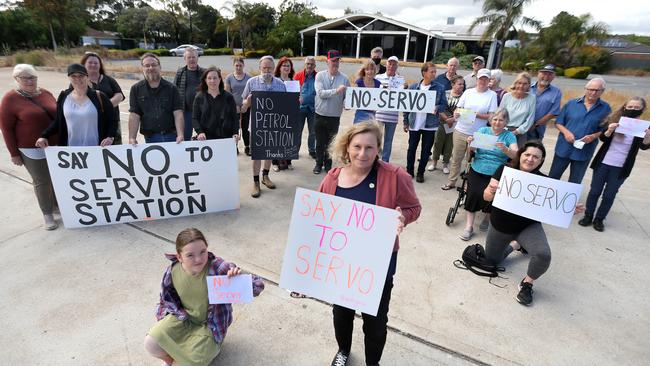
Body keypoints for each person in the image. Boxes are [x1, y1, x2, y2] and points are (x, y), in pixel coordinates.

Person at [318, 122, 421, 366]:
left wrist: (402, 216)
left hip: (377, 264)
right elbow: (317, 217)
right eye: (357, 147)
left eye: (369, 148)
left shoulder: (395, 176)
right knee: (341, 313)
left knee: (375, 323)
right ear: (347, 147)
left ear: (378, 149)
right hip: (341, 263)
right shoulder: (333, 178)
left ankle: (372, 363)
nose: (362, 154)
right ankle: (343, 351)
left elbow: (414, 207)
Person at [483, 141, 585, 305]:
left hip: (527, 226)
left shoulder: (545, 182)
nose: (530, 159)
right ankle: (515, 246)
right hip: (500, 225)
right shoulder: (504, 170)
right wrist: (490, 190)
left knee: (543, 255)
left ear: (541, 160)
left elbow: (554, 206)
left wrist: (567, 208)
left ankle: (527, 283)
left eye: (536, 157)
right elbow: (486, 197)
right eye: (527, 155)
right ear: (520, 155)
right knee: (491, 262)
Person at [144, 228, 264, 366]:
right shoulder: (173, 271)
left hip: (209, 327)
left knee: (191, 362)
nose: (199, 259)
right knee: (151, 343)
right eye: (190, 255)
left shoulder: (218, 268)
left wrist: (239, 278)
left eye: (203, 252)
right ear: (179, 257)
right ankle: (172, 361)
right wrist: (164, 320)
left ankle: (213, 348)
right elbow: (166, 299)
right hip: (184, 319)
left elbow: (258, 285)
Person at [0, 64, 58, 230]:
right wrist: (14, 153)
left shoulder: (46, 93)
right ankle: (47, 214)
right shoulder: (10, 99)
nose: (30, 81)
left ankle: (56, 206)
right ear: (16, 79)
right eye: (25, 77)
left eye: (33, 77)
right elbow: (6, 129)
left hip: (54, 146)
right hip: (31, 149)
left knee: (54, 178)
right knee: (42, 181)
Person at [579, 97, 650, 232]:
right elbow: (603, 138)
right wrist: (610, 130)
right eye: (630, 107)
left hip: (622, 167)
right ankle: (588, 215)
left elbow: (644, 147)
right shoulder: (616, 121)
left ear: (642, 109)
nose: (632, 110)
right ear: (625, 107)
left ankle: (599, 219)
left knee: (609, 195)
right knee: (594, 191)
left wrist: (648, 136)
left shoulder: (644, 126)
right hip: (604, 163)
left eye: (636, 108)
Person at [460, 108, 518, 241]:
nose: (497, 122)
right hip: (478, 166)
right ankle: (469, 227)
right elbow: (472, 151)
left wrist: (506, 149)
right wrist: (470, 144)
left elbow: (516, 155)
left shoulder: (509, 136)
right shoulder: (483, 131)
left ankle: (487, 217)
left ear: (506, 122)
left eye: (501, 120)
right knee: (473, 193)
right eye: (495, 119)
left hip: (497, 171)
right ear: (491, 121)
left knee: (493, 195)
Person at [442, 68, 497, 190]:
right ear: (477, 79)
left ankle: (468, 185)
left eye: (485, 79)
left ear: (489, 80)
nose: (482, 81)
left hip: (479, 133)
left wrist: (476, 114)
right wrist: (456, 113)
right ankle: (451, 181)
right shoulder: (468, 92)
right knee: (456, 158)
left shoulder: (492, 95)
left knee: (473, 160)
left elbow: (492, 116)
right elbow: (458, 108)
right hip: (461, 130)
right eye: (480, 78)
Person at [36, 63, 116, 148]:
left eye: (81, 75)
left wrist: (110, 137)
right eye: (73, 76)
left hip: (96, 148)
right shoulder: (64, 96)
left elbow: (112, 119)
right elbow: (58, 121)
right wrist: (44, 136)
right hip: (71, 150)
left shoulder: (99, 96)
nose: (78, 79)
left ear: (87, 77)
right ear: (69, 78)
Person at [548, 78, 611, 184]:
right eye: (591, 89)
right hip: (564, 147)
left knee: (575, 181)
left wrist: (593, 136)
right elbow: (558, 122)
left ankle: (570, 200)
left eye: (597, 90)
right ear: (585, 89)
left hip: (584, 151)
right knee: (553, 176)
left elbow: (603, 130)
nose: (593, 92)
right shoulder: (571, 104)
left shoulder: (605, 108)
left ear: (602, 91)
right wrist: (566, 132)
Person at [241, 55, 286, 198]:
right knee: (256, 155)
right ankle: (256, 182)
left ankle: (265, 176)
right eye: (264, 68)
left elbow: (285, 106)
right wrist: (247, 102)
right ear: (260, 68)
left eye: (270, 68)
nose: (267, 70)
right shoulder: (251, 82)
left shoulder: (280, 84)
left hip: (273, 125)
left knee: (269, 153)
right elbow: (243, 105)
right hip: (257, 125)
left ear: (274, 69)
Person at [403, 62, 448, 183]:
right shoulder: (413, 88)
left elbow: (444, 104)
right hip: (414, 123)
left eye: (435, 71)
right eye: (432, 71)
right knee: (411, 149)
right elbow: (406, 107)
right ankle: (409, 171)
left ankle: (420, 173)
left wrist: (437, 107)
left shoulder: (439, 88)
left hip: (430, 125)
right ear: (424, 73)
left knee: (425, 151)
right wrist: (405, 121)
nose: (434, 74)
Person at [128, 53, 184, 144]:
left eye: (154, 65)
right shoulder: (136, 89)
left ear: (160, 67)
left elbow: (178, 113)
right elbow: (134, 115)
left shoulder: (172, 88)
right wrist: (131, 138)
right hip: (150, 138)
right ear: (142, 68)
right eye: (147, 65)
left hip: (172, 137)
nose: (151, 68)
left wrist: (180, 134)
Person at [313, 49, 350, 174]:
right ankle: (318, 164)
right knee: (320, 142)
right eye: (333, 60)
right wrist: (337, 91)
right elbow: (320, 93)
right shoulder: (320, 75)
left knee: (331, 143)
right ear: (327, 61)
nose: (335, 63)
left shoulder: (344, 78)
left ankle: (328, 165)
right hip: (320, 115)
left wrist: (347, 103)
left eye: (337, 60)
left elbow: (348, 95)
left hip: (334, 116)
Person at [81, 52, 125, 144]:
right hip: (90, 124)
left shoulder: (108, 80)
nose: (93, 65)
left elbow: (119, 95)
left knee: (115, 149)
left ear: (100, 65)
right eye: (90, 62)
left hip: (112, 121)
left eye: (96, 63)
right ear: (84, 64)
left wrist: (105, 106)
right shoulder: (79, 81)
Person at [192, 67, 239, 142]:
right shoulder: (199, 97)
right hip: (206, 139)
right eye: (209, 78)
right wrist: (200, 132)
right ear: (205, 80)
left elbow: (234, 118)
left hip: (226, 138)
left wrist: (235, 133)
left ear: (220, 79)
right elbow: (195, 118)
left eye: (215, 78)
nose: (212, 81)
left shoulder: (228, 97)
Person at [430, 75, 465, 173]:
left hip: (455, 124)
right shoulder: (445, 93)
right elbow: (438, 107)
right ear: (453, 84)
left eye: (463, 84)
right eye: (459, 84)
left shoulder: (465, 96)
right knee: (438, 142)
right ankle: (434, 163)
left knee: (450, 145)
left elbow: (465, 111)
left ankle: (445, 164)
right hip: (441, 122)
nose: (461, 86)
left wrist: (453, 120)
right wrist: (446, 119)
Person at [375, 55, 406, 162]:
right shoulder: (378, 77)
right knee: (376, 139)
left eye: (394, 64)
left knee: (388, 141)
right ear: (386, 64)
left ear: (397, 66)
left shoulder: (401, 79)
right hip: (379, 114)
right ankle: (375, 160)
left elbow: (401, 95)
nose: (391, 66)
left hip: (392, 115)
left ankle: (385, 162)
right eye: (390, 63)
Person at [174, 47, 206, 140]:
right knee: (184, 136)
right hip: (185, 112)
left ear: (197, 58)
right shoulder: (180, 72)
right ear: (185, 59)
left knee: (203, 136)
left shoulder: (204, 73)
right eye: (189, 57)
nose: (192, 59)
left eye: (193, 57)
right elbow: (175, 90)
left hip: (202, 111)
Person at [272, 56, 297, 171]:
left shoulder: (293, 81)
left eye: (288, 65)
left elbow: (297, 98)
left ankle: (288, 160)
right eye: (284, 65)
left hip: (290, 114)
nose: (286, 67)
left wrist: (299, 99)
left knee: (288, 138)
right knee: (276, 139)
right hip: (276, 114)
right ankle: (275, 162)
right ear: (279, 67)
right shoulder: (274, 81)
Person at [526, 64, 562, 141]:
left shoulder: (556, 92)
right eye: (544, 73)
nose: (546, 77)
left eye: (550, 74)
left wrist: (535, 125)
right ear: (538, 74)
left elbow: (553, 113)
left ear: (553, 76)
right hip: (519, 126)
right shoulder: (527, 86)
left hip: (537, 130)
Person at [224, 57, 252, 155]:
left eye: (240, 65)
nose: (238, 67)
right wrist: (233, 106)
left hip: (246, 107)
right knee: (234, 128)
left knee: (245, 127)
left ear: (243, 65)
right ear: (234, 66)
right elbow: (227, 94)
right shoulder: (229, 78)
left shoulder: (249, 78)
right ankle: (234, 146)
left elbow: (251, 93)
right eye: (237, 65)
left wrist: (246, 105)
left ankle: (247, 147)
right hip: (233, 108)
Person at [500, 72, 536, 147]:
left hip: (520, 133)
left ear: (529, 85)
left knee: (517, 156)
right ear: (515, 83)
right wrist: (504, 129)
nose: (521, 86)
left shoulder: (532, 98)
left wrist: (517, 131)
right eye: (519, 83)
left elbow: (530, 119)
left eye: (525, 84)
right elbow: (500, 114)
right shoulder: (506, 96)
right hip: (504, 129)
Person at [294, 56, 318, 159]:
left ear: (315, 66)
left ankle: (312, 150)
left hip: (313, 109)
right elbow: (293, 90)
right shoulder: (298, 75)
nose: (310, 66)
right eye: (308, 64)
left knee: (313, 132)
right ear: (305, 65)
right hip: (300, 108)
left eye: (312, 64)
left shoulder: (318, 76)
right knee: (298, 131)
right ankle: (295, 150)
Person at [353, 58, 381, 124]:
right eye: (367, 69)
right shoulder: (359, 82)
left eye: (372, 69)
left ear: (374, 71)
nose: (370, 71)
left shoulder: (378, 83)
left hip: (372, 114)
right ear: (364, 71)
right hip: (360, 113)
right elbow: (354, 98)